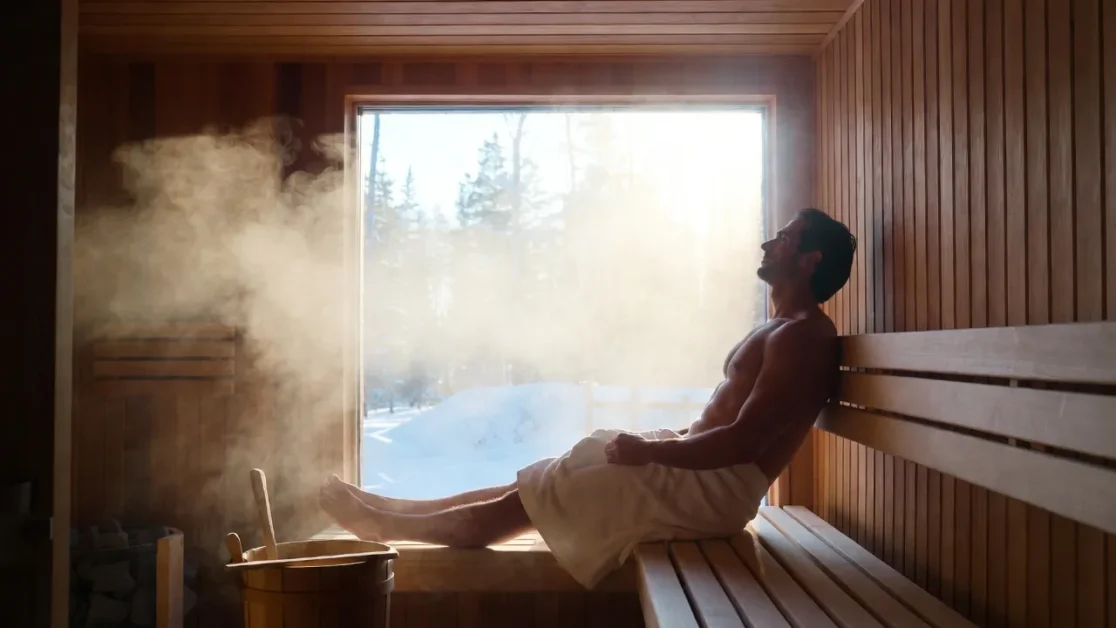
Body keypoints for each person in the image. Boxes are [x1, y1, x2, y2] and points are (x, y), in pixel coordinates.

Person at [320, 208, 857, 589]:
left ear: (810, 259)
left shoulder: (803, 338)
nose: (769, 243)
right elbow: (734, 426)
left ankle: (382, 526)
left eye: (784, 237)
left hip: (717, 491)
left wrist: (652, 453)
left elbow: (743, 442)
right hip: (703, 467)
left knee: (562, 488)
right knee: (555, 472)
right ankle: (396, 508)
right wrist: (667, 442)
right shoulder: (784, 328)